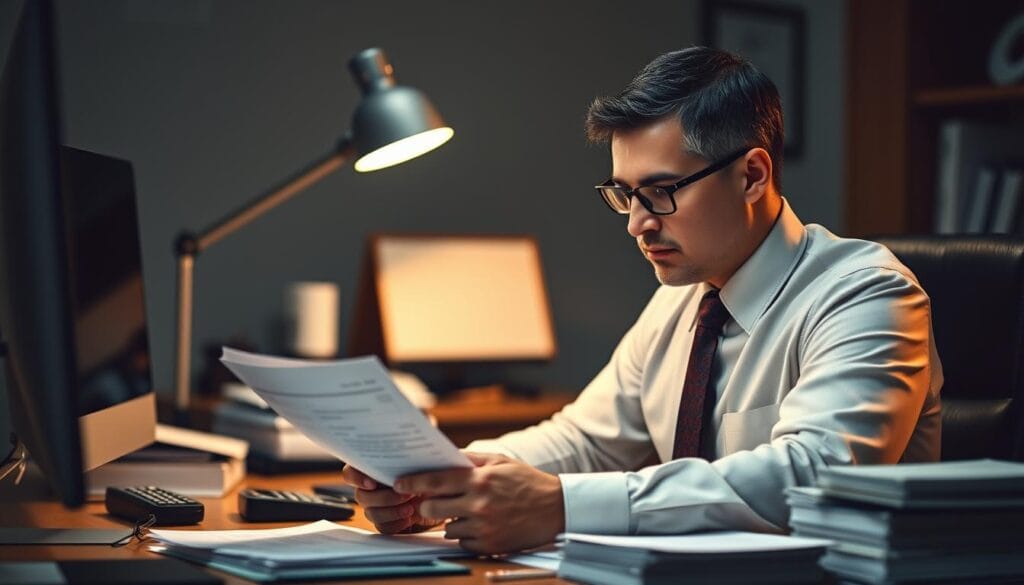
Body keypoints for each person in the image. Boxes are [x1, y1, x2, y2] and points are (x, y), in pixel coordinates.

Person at [342, 46, 942, 554]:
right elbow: (586, 440)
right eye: (624, 195)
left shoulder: (866, 294)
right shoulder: (684, 298)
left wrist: (560, 506)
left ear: (753, 175)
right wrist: (443, 480)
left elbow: (813, 477)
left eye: (659, 192)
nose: (636, 225)